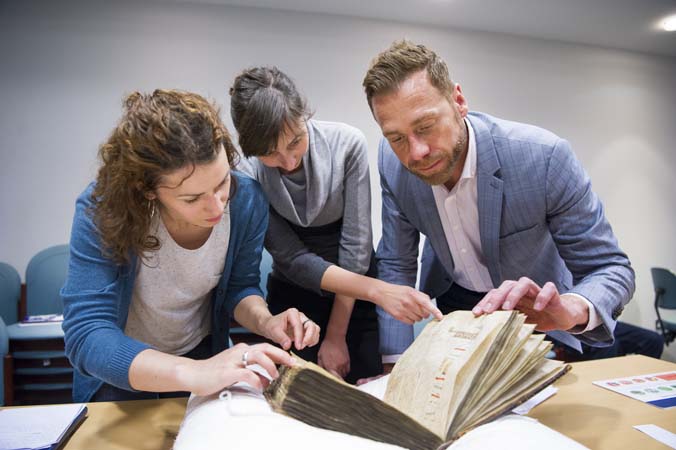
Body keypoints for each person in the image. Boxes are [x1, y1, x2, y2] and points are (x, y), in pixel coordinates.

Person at [361, 40, 635, 369]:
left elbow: (610, 269)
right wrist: (396, 365)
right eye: (397, 138)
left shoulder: (544, 158)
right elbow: (396, 263)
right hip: (457, 303)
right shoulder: (392, 163)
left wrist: (570, 310)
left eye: (426, 127)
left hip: (540, 316)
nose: (415, 152)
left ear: (458, 101)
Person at [60, 90, 320, 403]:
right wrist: (193, 372)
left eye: (222, 182)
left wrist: (266, 321)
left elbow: (240, 287)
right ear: (148, 190)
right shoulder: (103, 208)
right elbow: (87, 333)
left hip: (202, 356)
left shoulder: (246, 199)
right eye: (192, 198)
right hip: (123, 373)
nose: (216, 207)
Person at [229, 67, 442, 383]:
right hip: (294, 294)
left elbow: (356, 249)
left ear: (304, 116)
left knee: (367, 392)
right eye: (270, 153)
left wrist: (336, 335)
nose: (288, 162)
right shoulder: (246, 173)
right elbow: (292, 259)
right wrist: (379, 291)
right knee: (296, 398)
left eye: (295, 142)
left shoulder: (347, 144)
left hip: (356, 296)